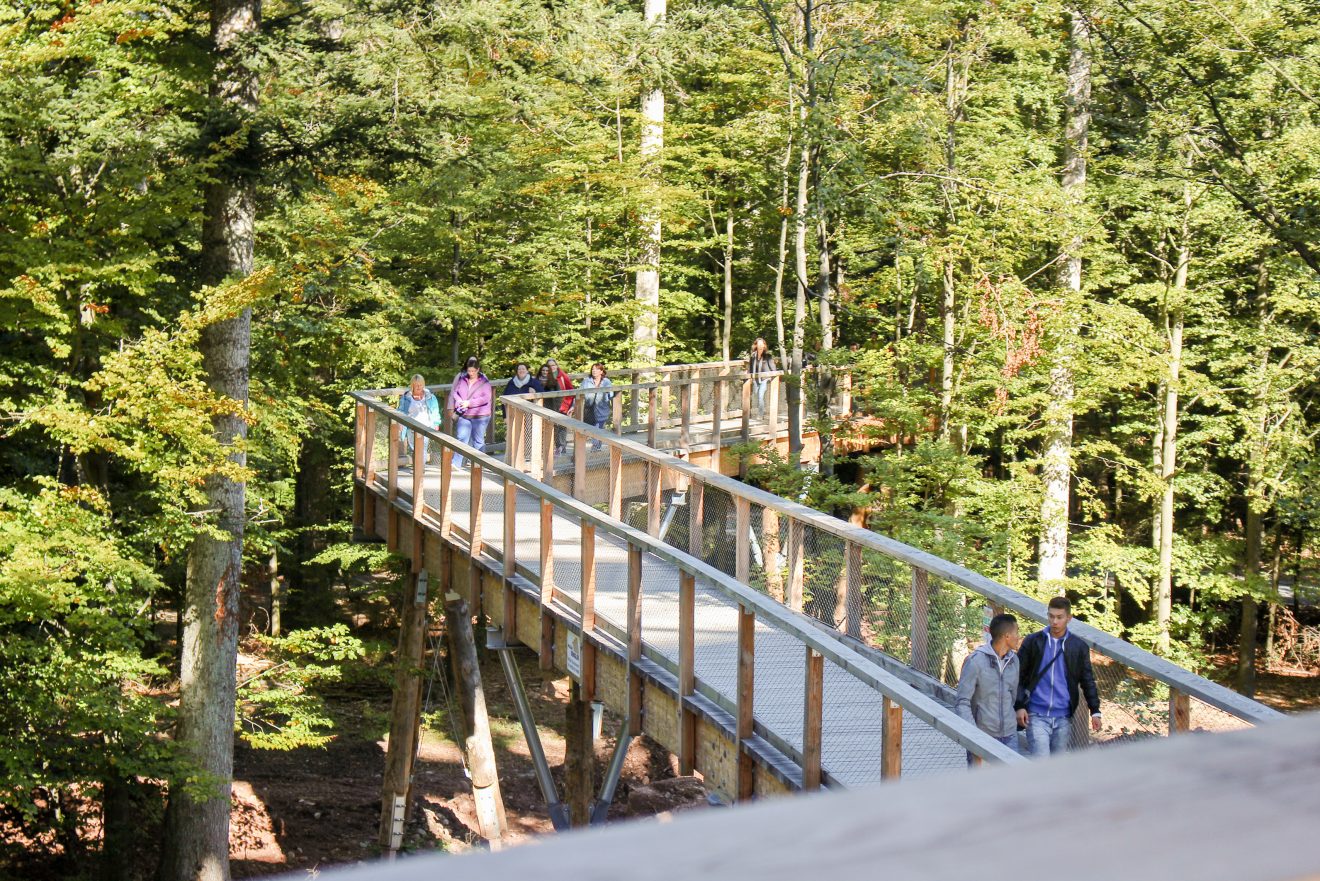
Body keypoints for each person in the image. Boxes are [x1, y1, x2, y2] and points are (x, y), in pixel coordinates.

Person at [1014, 596, 1102, 756]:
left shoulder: (1078, 647)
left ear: (1069, 618)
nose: (1054, 621)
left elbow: (1087, 680)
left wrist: (1095, 711)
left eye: (1059, 617)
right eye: (1051, 616)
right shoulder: (1033, 642)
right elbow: (1017, 675)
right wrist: (1019, 705)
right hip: (1036, 714)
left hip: (1063, 717)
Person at [955, 613, 1021, 764]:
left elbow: (1013, 695)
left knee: (1014, 786)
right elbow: (962, 701)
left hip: (1010, 735)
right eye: (1016, 632)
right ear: (1007, 636)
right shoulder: (975, 661)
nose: (1019, 637)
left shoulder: (1014, 661)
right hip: (983, 735)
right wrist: (974, 735)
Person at [446, 357, 493, 468]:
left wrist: (470, 403)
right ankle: (456, 463)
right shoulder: (462, 379)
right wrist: (459, 402)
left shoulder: (484, 381)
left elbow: (486, 398)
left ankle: (478, 464)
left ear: (478, 370)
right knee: (461, 437)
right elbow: (455, 393)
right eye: (469, 371)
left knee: (478, 441)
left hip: (480, 415)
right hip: (464, 414)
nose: (471, 373)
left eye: (473, 371)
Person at [397, 374, 441, 464]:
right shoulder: (406, 397)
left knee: (423, 447)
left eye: (420, 385)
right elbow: (400, 411)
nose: (418, 387)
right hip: (411, 427)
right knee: (414, 447)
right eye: (416, 385)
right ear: (412, 385)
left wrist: (436, 423)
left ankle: (421, 468)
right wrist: (400, 423)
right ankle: (418, 466)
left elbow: (435, 410)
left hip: (425, 426)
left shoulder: (430, 397)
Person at [579, 363, 614, 450]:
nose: (594, 371)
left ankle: (596, 447)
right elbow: (578, 393)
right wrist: (573, 406)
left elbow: (611, 394)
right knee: (591, 428)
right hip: (589, 408)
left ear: (601, 371)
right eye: (593, 369)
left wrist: (606, 396)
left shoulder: (606, 381)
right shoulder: (586, 381)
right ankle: (589, 447)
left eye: (597, 369)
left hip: (601, 408)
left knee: (598, 427)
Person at [544, 357, 575, 454]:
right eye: (549, 366)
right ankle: (553, 448)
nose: (551, 367)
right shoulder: (544, 376)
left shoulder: (562, 376)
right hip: (549, 406)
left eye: (553, 365)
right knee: (552, 427)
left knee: (561, 427)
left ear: (556, 366)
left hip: (562, 406)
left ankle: (562, 447)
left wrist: (569, 405)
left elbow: (571, 390)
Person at [749, 337, 776, 419]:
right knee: (757, 395)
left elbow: (773, 368)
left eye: (762, 344)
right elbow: (751, 368)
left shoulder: (768, 356)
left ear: (764, 346)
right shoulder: (753, 356)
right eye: (759, 344)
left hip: (765, 379)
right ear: (756, 345)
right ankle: (757, 412)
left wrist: (772, 377)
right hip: (755, 379)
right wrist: (750, 376)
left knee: (760, 396)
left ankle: (760, 415)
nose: (761, 346)